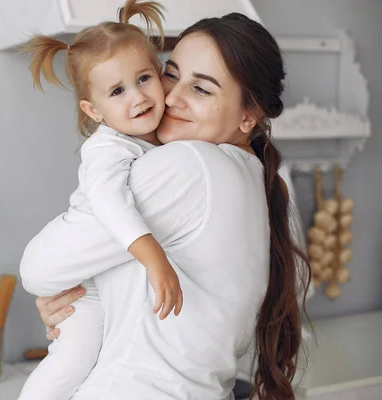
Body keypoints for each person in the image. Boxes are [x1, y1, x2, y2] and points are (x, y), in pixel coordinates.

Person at [20, 12, 311, 400]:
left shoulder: (191, 165)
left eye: (202, 89)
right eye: (169, 74)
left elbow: (38, 268)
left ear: (250, 115)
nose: (170, 98)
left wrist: (59, 291)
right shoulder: (249, 176)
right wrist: (81, 305)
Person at [18, 2, 183, 399]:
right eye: (117, 91)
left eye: (144, 78)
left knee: (86, 359)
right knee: (71, 362)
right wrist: (154, 258)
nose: (138, 97)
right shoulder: (106, 146)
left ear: (160, 74)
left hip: (92, 274)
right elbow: (111, 204)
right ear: (94, 110)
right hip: (57, 261)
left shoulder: (163, 141)